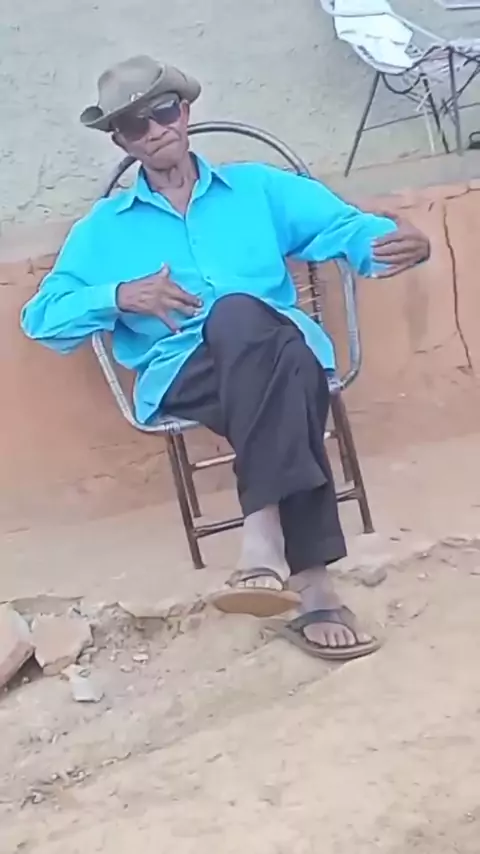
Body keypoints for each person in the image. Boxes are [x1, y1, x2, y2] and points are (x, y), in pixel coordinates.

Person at [21, 56, 430, 661]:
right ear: (121, 141)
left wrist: (394, 242)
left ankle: (266, 549)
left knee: (268, 344)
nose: (155, 130)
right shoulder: (105, 229)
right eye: (135, 124)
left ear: (185, 112)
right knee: (267, 344)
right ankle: (312, 585)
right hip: (187, 372)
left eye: (164, 111)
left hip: (277, 356)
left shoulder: (257, 189)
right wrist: (119, 295)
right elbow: (42, 319)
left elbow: (344, 227)